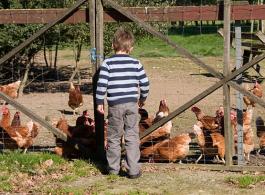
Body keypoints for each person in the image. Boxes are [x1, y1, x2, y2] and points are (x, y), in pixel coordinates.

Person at [96, 27, 149, 179]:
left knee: (113, 137)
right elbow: (145, 84)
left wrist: (100, 102)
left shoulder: (107, 63)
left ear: (113, 45)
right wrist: (142, 99)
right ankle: (133, 170)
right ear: (131, 47)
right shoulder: (136, 63)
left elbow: (101, 85)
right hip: (132, 105)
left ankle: (113, 169)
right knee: (132, 136)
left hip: (115, 106)